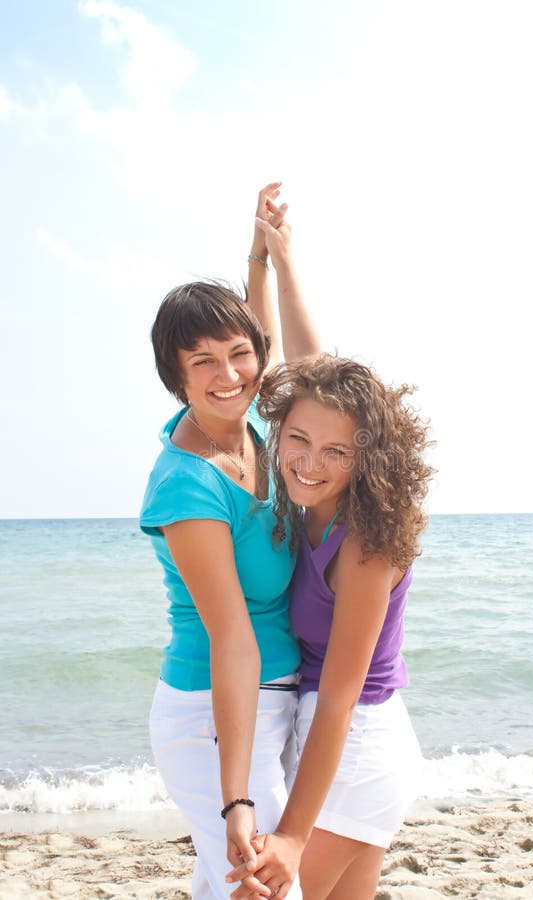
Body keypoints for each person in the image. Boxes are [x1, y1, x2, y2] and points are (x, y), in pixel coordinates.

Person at [139, 183, 319, 899]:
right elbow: (231, 641)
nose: (229, 376)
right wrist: (235, 795)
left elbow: (261, 341)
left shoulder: (250, 425)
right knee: (270, 885)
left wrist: (261, 257)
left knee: (234, 888)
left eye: (237, 356)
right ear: (175, 378)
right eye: (202, 364)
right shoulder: (186, 486)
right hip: (211, 713)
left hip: (274, 695)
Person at [227, 355, 432, 900]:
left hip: (359, 743)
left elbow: (341, 700)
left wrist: (293, 837)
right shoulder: (307, 504)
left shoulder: (366, 544)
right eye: (298, 439)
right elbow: (299, 359)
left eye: (336, 451)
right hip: (340, 739)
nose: (310, 461)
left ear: (364, 460)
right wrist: (270, 267)